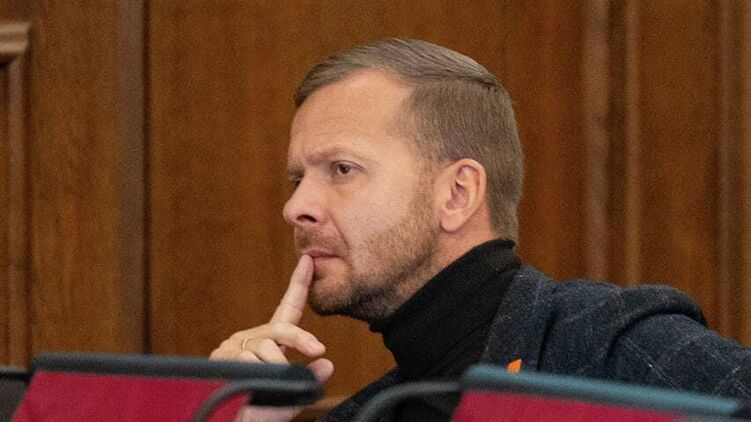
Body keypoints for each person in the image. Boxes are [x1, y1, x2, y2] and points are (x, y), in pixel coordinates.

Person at [210, 38, 751, 421]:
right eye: (297, 179)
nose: (296, 207)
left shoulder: (605, 346)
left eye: (342, 170)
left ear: (458, 193)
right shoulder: (364, 413)